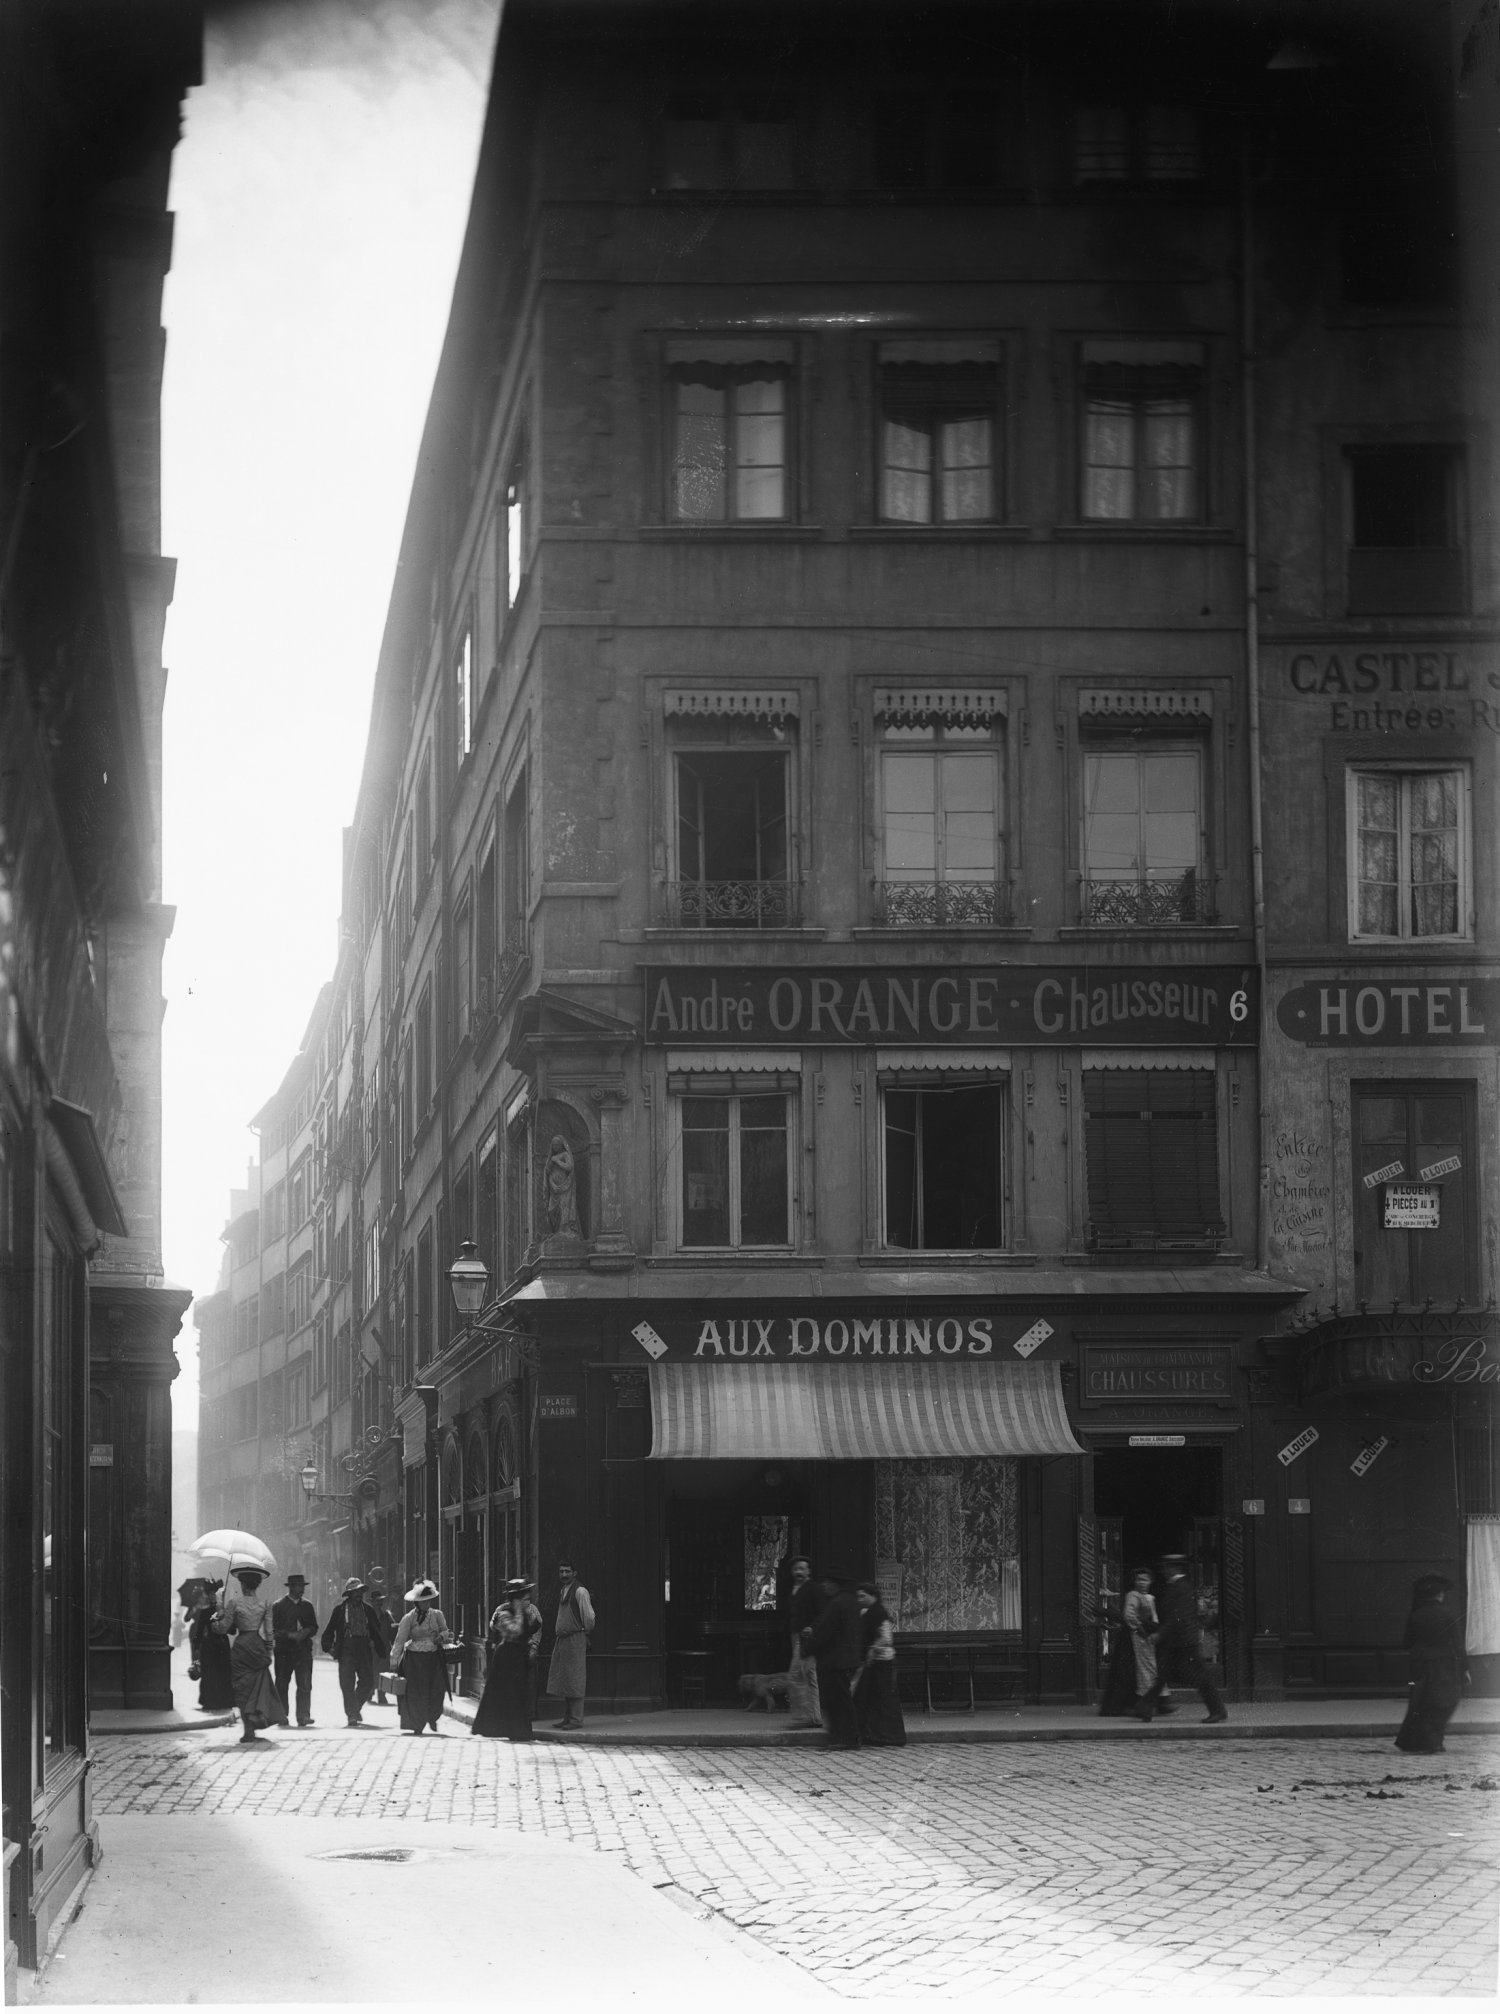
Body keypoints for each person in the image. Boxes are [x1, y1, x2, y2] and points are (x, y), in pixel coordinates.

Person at [1139, 1555, 1227, 1724]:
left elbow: (1177, 1615)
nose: (1164, 1570)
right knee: (1164, 1675)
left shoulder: (1182, 1587)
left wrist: (1160, 1634)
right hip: (1177, 1641)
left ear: (1175, 1568)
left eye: (1167, 1567)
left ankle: (1218, 1710)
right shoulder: (1176, 1586)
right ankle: (1145, 1705)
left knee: (1200, 1677)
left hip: (1185, 1642)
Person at [212, 1566, 289, 1744]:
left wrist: (217, 1615)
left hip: (241, 1647)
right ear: (257, 1585)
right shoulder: (265, 1603)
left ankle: (248, 1729)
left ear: (242, 1583)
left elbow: (223, 1628)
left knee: (242, 1688)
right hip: (257, 1646)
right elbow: (269, 1632)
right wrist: (268, 1652)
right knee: (257, 1686)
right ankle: (254, 1723)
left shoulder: (234, 1603)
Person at [1395, 1573, 1467, 1754]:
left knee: (1420, 1702)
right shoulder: (1448, 1614)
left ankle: (1418, 1742)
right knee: (1443, 1702)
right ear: (1440, 1595)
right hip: (1443, 1664)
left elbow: (1406, 1642)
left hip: (1419, 1663)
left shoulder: (1416, 1615)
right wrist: (1465, 1668)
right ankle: (1434, 1741)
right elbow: (1458, 1644)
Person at [473, 1578, 544, 1741]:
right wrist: (519, 1612)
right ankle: (511, 1729)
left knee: (520, 1693)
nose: (528, 1602)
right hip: (506, 1656)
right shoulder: (504, 1613)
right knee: (509, 1693)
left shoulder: (525, 1612)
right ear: (516, 1599)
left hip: (519, 1655)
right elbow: (515, 1630)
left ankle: (520, 1731)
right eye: (524, 1599)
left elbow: (526, 1632)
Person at [320, 1576, 392, 1728]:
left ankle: (355, 1707)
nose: (358, 1594)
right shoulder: (340, 1610)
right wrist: (330, 1648)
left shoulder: (368, 1610)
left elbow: (376, 1628)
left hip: (364, 1648)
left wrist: (375, 1643)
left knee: (368, 1681)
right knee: (347, 1683)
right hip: (346, 1647)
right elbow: (329, 1631)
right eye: (355, 1592)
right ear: (349, 1594)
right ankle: (352, 1714)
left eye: (360, 1591)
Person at [1099, 1569, 1170, 1718]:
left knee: (1149, 1670)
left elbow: (1154, 1617)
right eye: (1139, 1579)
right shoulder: (1133, 1596)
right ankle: (1138, 1704)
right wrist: (1143, 1629)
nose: (1142, 1583)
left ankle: (1154, 1703)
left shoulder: (1149, 1598)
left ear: (1151, 1582)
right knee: (1137, 1672)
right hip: (1134, 1639)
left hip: (1147, 1639)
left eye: (1145, 1579)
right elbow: (1129, 1616)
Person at [805, 1570, 863, 1750]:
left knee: (837, 1701)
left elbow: (825, 1632)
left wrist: (807, 1649)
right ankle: (845, 1737)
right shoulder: (851, 1601)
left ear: (835, 1584)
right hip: (847, 1659)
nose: (824, 1586)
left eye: (827, 1582)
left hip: (834, 1660)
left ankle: (844, 1738)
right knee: (841, 1700)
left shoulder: (837, 1603)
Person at [391, 1578, 454, 1735]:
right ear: (417, 1603)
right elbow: (400, 1640)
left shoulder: (437, 1615)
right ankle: (417, 1723)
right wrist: (394, 1660)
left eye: (428, 1601)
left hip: (434, 1658)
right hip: (414, 1659)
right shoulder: (409, 1618)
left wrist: (441, 1636)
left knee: (437, 1689)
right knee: (415, 1692)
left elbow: (446, 1631)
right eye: (423, 1602)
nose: (426, 1604)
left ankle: (432, 1717)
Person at [853, 1582, 906, 1747]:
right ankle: (872, 1734)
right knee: (869, 1698)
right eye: (858, 1596)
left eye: (863, 1596)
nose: (860, 1599)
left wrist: (872, 1649)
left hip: (883, 1661)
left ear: (873, 1596)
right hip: (872, 1663)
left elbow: (886, 1638)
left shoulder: (880, 1613)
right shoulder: (866, 1612)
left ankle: (888, 1736)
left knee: (883, 1699)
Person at [547, 1562, 594, 1730]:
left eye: (567, 1571)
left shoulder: (580, 1591)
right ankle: (567, 1717)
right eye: (561, 1571)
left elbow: (588, 1617)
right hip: (563, 1640)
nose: (564, 1574)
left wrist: (584, 1632)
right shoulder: (563, 1590)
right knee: (565, 1679)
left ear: (575, 1573)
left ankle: (576, 1719)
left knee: (575, 1678)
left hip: (575, 1638)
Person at [271, 1572, 319, 1727]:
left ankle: (303, 1715)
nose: (302, 1590)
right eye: (299, 1586)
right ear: (291, 1587)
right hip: (284, 1651)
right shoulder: (278, 1606)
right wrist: (290, 1635)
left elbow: (314, 1627)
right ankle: (282, 1715)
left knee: (305, 1684)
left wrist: (306, 1632)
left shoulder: (307, 1606)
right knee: (282, 1683)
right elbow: (274, 1631)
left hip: (303, 1651)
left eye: (303, 1586)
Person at [783, 1556, 824, 1729]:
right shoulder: (794, 1588)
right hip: (796, 1636)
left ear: (809, 1571)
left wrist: (812, 1627)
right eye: (795, 1569)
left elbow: (822, 1612)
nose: (798, 1572)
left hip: (806, 1638)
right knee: (807, 1676)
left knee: (798, 1676)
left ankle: (807, 1716)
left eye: (802, 1568)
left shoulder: (813, 1589)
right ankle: (813, 1716)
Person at [185, 1579, 235, 1712]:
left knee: (222, 1673)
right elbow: (199, 1632)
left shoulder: (225, 1612)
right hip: (210, 1645)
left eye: (216, 1594)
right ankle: (211, 1701)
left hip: (220, 1645)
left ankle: (223, 1701)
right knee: (210, 1673)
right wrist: (196, 1649)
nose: (213, 1597)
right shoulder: (206, 1611)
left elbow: (233, 1630)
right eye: (210, 1594)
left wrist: (224, 1621)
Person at [366, 1573, 396, 1707]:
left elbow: (392, 1631)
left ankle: (381, 1695)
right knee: (371, 1671)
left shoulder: (386, 1616)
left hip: (384, 1648)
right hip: (371, 1648)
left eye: (381, 1600)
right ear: (372, 1602)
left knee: (383, 1672)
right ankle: (369, 1692)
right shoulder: (367, 1616)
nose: (379, 1602)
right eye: (377, 1600)